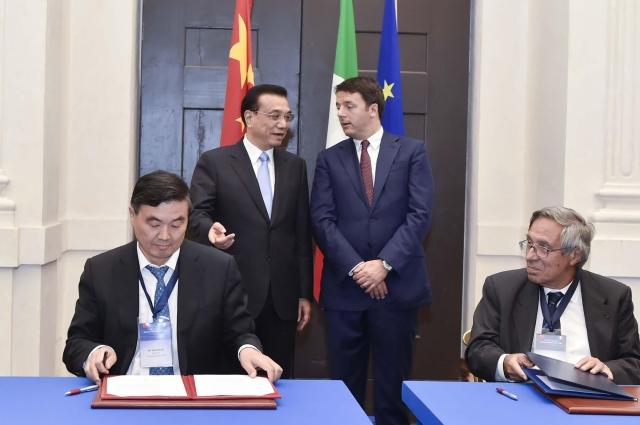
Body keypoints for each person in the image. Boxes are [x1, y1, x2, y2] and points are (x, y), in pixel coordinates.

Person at [63, 170, 282, 384]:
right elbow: (76, 343)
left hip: (193, 393)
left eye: (177, 225)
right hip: (125, 389)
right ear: (132, 215)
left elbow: (240, 333)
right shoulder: (101, 270)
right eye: (154, 224)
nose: (165, 236)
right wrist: (94, 352)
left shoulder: (219, 268)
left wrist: (248, 350)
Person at [310, 76, 434, 425]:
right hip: (345, 291)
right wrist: (359, 269)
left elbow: (420, 214)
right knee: (343, 391)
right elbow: (321, 219)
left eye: (349, 106)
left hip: (397, 289)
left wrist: (384, 264)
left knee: (392, 390)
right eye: (338, 106)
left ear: (373, 109)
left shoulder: (411, 152)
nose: (341, 113)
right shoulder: (328, 159)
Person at [189, 84, 313, 378]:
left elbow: (301, 232)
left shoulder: (295, 166)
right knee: (231, 380)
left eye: (287, 117)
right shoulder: (215, 162)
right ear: (249, 117)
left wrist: (303, 293)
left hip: (282, 299)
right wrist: (210, 232)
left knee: (277, 380)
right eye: (274, 116)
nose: (282, 124)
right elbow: (196, 214)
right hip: (233, 292)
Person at [466, 206, 640, 384]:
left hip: (588, 396)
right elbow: (478, 350)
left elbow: (634, 363)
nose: (530, 256)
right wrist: (505, 362)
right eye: (529, 244)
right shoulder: (502, 288)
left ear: (574, 255)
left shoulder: (613, 296)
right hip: (523, 393)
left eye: (544, 248)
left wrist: (607, 370)